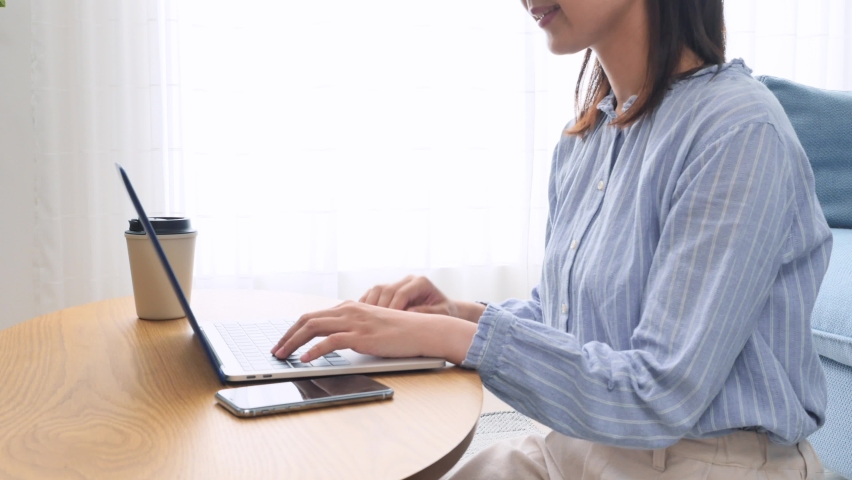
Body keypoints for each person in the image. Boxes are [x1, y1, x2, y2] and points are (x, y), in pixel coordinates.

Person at [271, 0, 831, 478]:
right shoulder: (587, 137)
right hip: (580, 447)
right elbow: (566, 323)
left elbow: (660, 395)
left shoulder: (736, 132)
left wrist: (452, 338)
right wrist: (460, 313)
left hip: (709, 462)